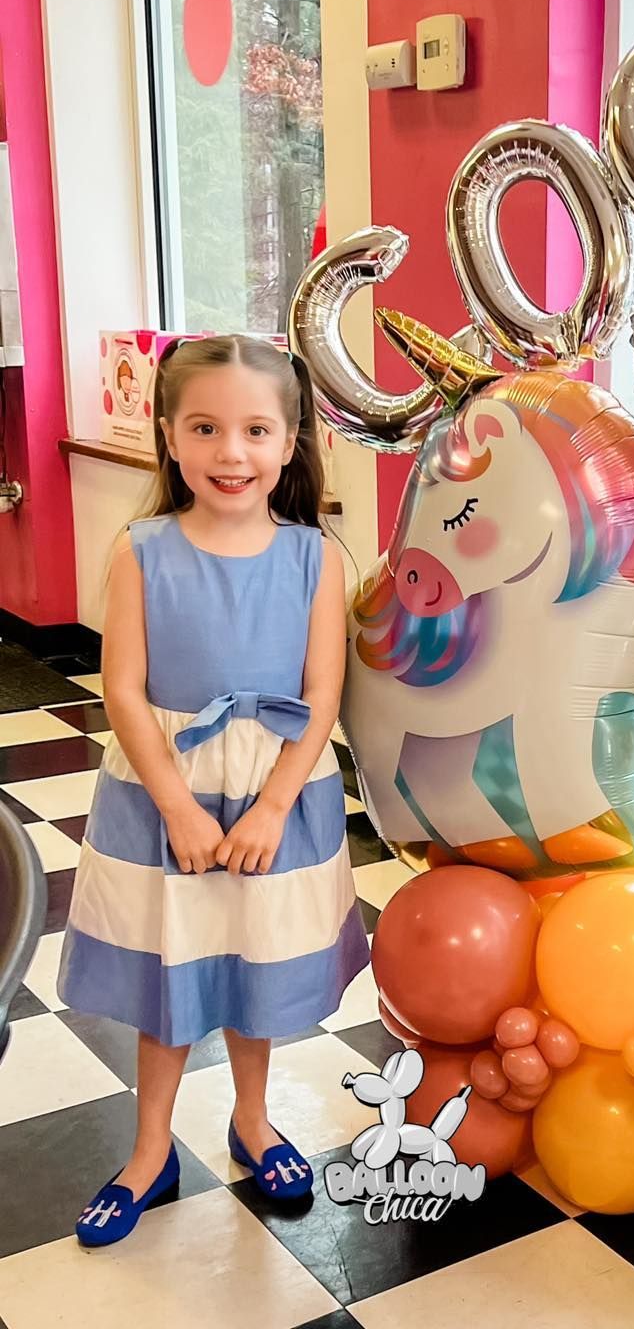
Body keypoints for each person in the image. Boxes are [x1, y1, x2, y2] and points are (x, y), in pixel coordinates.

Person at [56, 335, 369, 1247]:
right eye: (205, 428)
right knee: (172, 964)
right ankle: (150, 1149)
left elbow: (321, 696)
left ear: (289, 441)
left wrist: (271, 807)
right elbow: (123, 690)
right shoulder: (141, 550)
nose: (231, 452)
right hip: (168, 791)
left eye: (255, 431)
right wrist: (179, 809)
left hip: (277, 793)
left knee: (251, 959)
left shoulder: (315, 558)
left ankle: (254, 1120)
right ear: (169, 436)